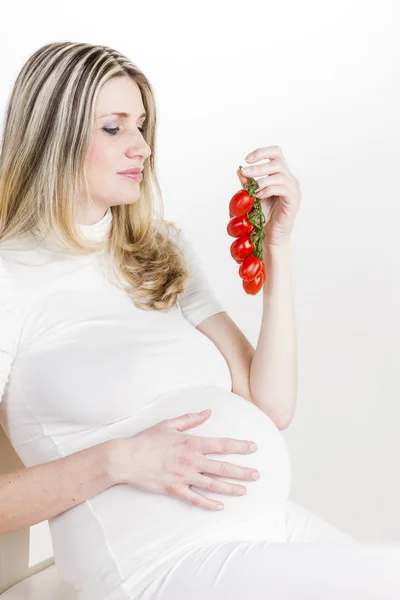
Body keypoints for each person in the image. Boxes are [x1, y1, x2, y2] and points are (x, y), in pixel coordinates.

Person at [1, 41, 397, 600]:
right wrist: (117, 460)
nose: (141, 146)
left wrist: (278, 249)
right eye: (114, 128)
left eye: (141, 125)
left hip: (269, 527)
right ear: (52, 137)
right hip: (161, 565)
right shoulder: (9, 276)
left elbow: (272, 405)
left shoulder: (158, 250)